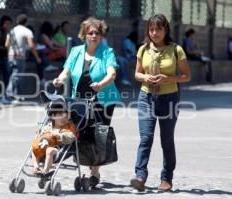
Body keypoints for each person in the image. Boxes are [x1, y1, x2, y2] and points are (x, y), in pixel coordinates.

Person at [52, 17, 121, 188]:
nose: (94, 36)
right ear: (84, 35)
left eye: (97, 32)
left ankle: (95, 173)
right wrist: (59, 80)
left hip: (103, 99)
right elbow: (66, 71)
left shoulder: (107, 52)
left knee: (98, 135)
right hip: (80, 100)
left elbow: (112, 74)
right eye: (90, 33)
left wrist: (101, 85)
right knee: (77, 132)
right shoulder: (76, 51)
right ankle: (57, 159)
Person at [130, 14, 191, 192]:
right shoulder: (143, 49)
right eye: (151, 29)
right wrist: (146, 77)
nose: (154, 33)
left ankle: (166, 179)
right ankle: (140, 176)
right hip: (146, 97)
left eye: (158, 29)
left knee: (166, 140)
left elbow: (187, 76)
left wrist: (168, 78)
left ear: (166, 30)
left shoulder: (176, 50)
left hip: (169, 98)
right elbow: (137, 74)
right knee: (146, 137)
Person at [4, 14, 42, 104]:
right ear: (26, 22)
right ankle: (9, 95)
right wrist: (37, 57)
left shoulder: (12, 30)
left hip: (10, 56)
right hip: (20, 56)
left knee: (14, 75)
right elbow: (32, 45)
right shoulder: (27, 31)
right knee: (17, 76)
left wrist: (10, 52)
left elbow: (6, 45)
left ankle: (16, 96)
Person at [31, 102, 76, 175]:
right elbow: (42, 135)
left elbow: (72, 137)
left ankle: (45, 171)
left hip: (58, 149)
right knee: (34, 146)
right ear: (53, 116)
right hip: (44, 147)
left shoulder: (68, 127)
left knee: (49, 150)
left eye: (66, 117)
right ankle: (36, 166)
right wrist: (40, 135)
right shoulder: (48, 126)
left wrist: (59, 135)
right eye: (60, 116)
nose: (63, 119)